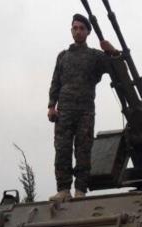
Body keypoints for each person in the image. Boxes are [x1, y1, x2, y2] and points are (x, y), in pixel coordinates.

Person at [47, 14, 118, 202]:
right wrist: (51, 106)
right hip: (64, 112)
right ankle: (63, 189)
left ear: (87, 32)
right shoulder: (63, 57)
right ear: (71, 30)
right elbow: (56, 82)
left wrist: (112, 51)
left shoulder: (95, 57)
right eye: (75, 28)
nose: (78, 31)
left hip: (85, 112)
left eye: (82, 28)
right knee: (62, 150)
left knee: (83, 151)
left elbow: (118, 67)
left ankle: (80, 191)